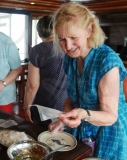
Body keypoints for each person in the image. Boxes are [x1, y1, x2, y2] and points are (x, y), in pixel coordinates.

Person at [48, 2, 127, 159]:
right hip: (83, 126)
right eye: (62, 39)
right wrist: (63, 119)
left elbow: (110, 116)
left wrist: (83, 113)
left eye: (73, 38)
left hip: (108, 130)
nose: (68, 46)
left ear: (89, 30)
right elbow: (73, 95)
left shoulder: (107, 60)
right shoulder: (70, 59)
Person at [23, 16, 68, 127]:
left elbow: (32, 85)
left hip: (43, 104)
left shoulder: (38, 51)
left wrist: (26, 107)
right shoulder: (67, 46)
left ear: (39, 34)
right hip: (66, 103)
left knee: (40, 136)